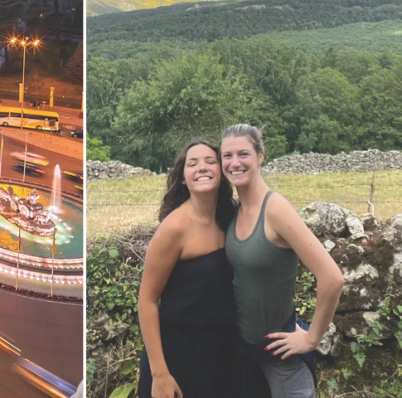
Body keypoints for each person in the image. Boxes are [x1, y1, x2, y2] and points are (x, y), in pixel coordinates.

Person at [222, 124, 344, 398]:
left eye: (243, 154)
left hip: (282, 362)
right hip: (248, 356)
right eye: (226, 156)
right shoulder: (237, 208)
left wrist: (312, 338)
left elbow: (332, 278)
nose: (234, 163)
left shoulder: (275, 209)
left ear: (260, 156)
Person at [137, 139, 240, 398]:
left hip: (223, 355)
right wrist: (160, 374)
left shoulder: (232, 216)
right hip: (178, 356)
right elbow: (147, 301)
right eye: (192, 164)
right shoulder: (175, 228)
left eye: (210, 161)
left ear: (222, 171)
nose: (202, 168)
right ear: (183, 178)